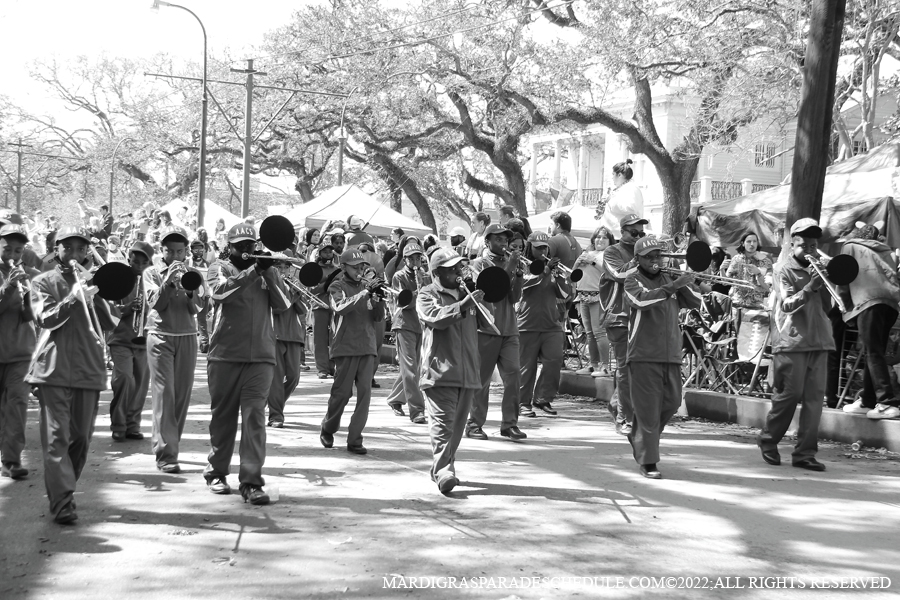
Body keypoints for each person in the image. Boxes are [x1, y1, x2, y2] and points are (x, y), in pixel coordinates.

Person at [27, 226, 117, 524]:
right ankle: (62, 501)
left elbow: (111, 323)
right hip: (52, 370)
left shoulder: (94, 282)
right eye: (68, 248)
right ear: (57, 250)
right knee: (57, 440)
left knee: (80, 439)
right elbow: (44, 319)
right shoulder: (42, 281)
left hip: (88, 369)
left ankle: (64, 489)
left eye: (81, 248)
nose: (75, 254)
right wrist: (73, 298)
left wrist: (97, 295)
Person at [205, 223, 290, 504]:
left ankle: (251, 482)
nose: (245, 249)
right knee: (223, 418)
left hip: (261, 357)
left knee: (255, 419)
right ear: (229, 246)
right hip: (225, 356)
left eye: (249, 245)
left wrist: (269, 272)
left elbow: (283, 305)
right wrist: (253, 271)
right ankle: (217, 472)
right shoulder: (218, 267)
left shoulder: (267, 270)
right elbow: (219, 293)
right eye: (239, 245)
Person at [757, 218, 835, 472]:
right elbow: (787, 304)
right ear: (793, 244)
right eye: (805, 245)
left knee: (815, 400)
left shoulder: (820, 269)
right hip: (792, 341)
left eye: (814, 246)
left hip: (820, 340)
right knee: (788, 396)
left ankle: (805, 453)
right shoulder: (783, 269)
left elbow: (830, 306)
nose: (811, 250)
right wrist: (811, 287)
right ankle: (768, 439)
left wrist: (826, 282)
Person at [623, 236, 702, 479]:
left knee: (673, 403)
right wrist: (674, 286)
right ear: (638, 259)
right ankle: (648, 461)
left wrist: (688, 282)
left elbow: (696, 302)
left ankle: (640, 438)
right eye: (649, 257)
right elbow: (641, 300)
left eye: (658, 255)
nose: (655, 260)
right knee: (648, 410)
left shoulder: (670, 278)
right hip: (643, 354)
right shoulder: (632, 279)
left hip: (671, 354)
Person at [417, 247, 488, 493]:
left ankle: (440, 467)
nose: (459, 272)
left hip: (468, 370)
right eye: (452, 269)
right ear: (437, 273)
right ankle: (445, 471)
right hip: (440, 371)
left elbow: (488, 323)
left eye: (459, 267)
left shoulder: (466, 293)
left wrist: (478, 300)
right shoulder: (426, 294)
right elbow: (434, 318)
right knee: (443, 425)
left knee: (457, 428)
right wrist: (462, 305)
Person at [145, 226, 205, 473]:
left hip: (187, 336)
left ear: (186, 252)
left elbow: (199, 308)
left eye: (179, 251)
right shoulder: (151, 272)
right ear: (162, 251)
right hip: (160, 336)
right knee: (164, 394)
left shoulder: (194, 273)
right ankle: (166, 453)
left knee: (181, 396)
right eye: (170, 251)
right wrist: (169, 282)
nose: (175, 256)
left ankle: (171, 444)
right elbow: (156, 304)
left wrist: (190, 289)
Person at [319, 249, 385, 455]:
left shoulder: (367, 287)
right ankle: (328, 427)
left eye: (362, 267)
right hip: (345, 347)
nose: (359, 270)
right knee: (342, 394)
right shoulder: (336, 286)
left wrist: (378, 299)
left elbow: (378, 318)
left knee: (365, 396)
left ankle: (355, 438)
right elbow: (340, 307)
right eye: (355, 267)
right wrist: (365, 293)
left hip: (367, 347)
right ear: (343, 267)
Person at [467, 224, 527, 441]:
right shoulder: (479, 264)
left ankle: (510, 424)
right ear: (487, 242)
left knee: (514, 376)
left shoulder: (511, 262)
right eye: (498, 239)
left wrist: (518, 276)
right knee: (481, 380)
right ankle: (474, 424)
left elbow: (514, 298)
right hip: (486, 328)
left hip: (509, 329)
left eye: (505, 240)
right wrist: (510, 267)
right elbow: (491, 290)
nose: (504, 244)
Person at [838, 224, 900, 420]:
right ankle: (868, 400)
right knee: (873, 352)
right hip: (890, 304)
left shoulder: (849, 246)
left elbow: (843, 278)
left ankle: (887, 402)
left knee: (872, 353)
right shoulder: (886, 251)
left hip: (867, 302)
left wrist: (845, 308)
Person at [600, 214, 647, 435]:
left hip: (642, 316)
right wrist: (642, 257)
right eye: (634, 232)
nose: (638, 236)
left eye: (642, 233)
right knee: (626, 368)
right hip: (619, 317)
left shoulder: (646, 253)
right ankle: (624, 417)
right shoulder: (612, 251)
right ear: (622, 232)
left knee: (634, 368)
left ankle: (617, 405)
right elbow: (620, 274)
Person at [518, 232, 571, 418]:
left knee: (554, 362)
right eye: (538, 247)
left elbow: (564, 295)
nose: (543, 251)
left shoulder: (552, 268)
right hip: (527, 323)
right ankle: (523, 403)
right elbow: (523, 284)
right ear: (529, 247)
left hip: (551, 324)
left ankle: (543, 398)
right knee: (526, 367)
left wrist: (562, 278)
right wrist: (545, 271)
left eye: (545, 247)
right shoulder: (521, 264)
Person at [0, 224, 38, 480]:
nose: (13, 254)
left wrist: (28, 297)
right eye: (7, 249)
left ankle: (12, 460)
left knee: (17, 406)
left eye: (18, 250)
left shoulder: (29, 275)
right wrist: (9, 286)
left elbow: (30, 316)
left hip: (21, 353)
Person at [107, 241, 154, 443]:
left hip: (145, 341)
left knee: (140, 385)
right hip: (120, 339)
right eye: (136, 261)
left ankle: (133, 425)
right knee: (124, 379)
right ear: (129, 260)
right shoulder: (119, 279)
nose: (140, 266)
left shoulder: (153, 281)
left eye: (144, 263)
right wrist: (127, 309)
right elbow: (108, 311)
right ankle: (118, 424)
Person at [385, 242, 429, 423]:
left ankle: (395, 398)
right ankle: (417, 410)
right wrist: (419, 291)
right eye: (411, 259)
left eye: (418, 258)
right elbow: (403, 302)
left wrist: (425, 283)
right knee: (410, 367)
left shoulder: (425, 275)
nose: (415, 261)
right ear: (405, 260)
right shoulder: (399, 276)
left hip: (420, 324)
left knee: (415, 368)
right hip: (403, 324)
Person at [266, 252, 306, 428]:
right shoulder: (268, 284)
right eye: (278, 267)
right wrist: (292, 295)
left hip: (294, 334)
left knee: (294, 377)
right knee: (275, 379)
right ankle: (276, 415)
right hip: (275, 333)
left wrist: (297, 294)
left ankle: (274, 404)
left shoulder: (294, 284)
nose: (283, 270)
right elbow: (278, 308)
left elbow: (304, 310)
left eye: (286, 267)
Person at [574, 227, 614, 377]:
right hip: (583, 295)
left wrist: (592, 262)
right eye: (598, 237)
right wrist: (578, 262)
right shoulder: (587, 253)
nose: (600, 240)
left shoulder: (610, 254)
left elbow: (610, 272)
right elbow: (573, 274)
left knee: (599, 332)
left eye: (604, 237)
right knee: (589, 333)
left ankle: (605, 367)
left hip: (599, 296)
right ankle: (593, 365)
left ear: (610, 241)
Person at [724, 231, 772, 327]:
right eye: (749, 241)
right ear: (743, 243)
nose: (752, 244)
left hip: (756, 308)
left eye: (754, 241)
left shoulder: (766, 261)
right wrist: (722, 269)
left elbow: (768, 288)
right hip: (737, 306)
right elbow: (725, 282)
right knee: (736, 335)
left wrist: (758, 273)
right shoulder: (736, 259)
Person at [310, 243, 339, 379]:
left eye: (330, 252)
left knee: (335, 338)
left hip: (335, 307)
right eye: (325, 252)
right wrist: (326, 283)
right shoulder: (314, 269)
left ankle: (332, 366)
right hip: (319, 306)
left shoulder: (338, 269)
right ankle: (322, 368)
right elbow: (311, 290)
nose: (328, 254)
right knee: (320, 339)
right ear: (319, 254)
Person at [600, 159, 644, 234]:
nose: (612, 177)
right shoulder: (620, 189)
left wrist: (610, 200)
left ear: (619, 175)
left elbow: (630, 208)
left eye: (613, 174)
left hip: (622, 234)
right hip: (612, 233)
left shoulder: (631, 188)